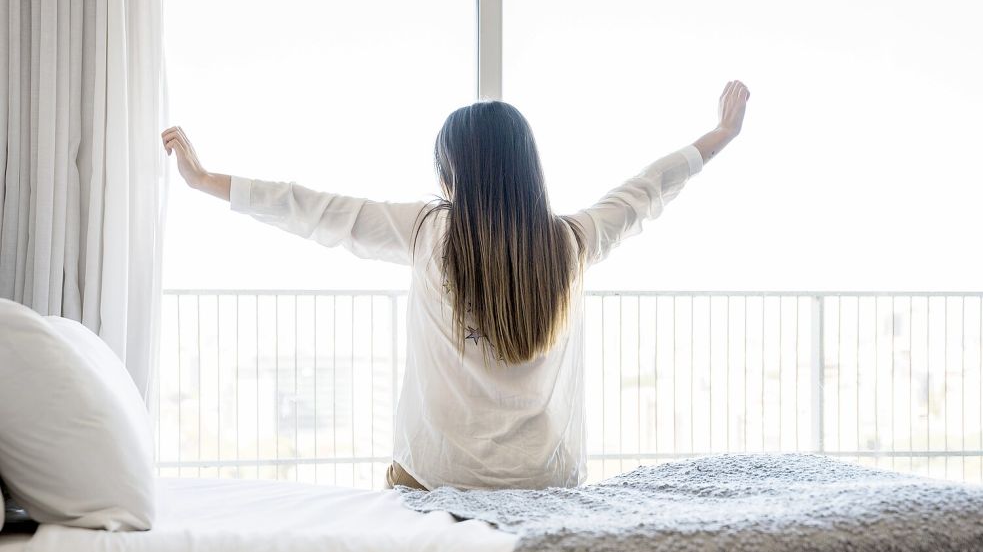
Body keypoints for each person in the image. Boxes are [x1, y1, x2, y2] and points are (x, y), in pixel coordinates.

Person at [161, 80, 750, 491]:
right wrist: (720, 135)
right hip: (547, 482)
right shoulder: (571, 242)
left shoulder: (427, 231)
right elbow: (647, 190)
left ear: (452, 172)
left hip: (433, 477)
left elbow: (314, 210)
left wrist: (206, 180)